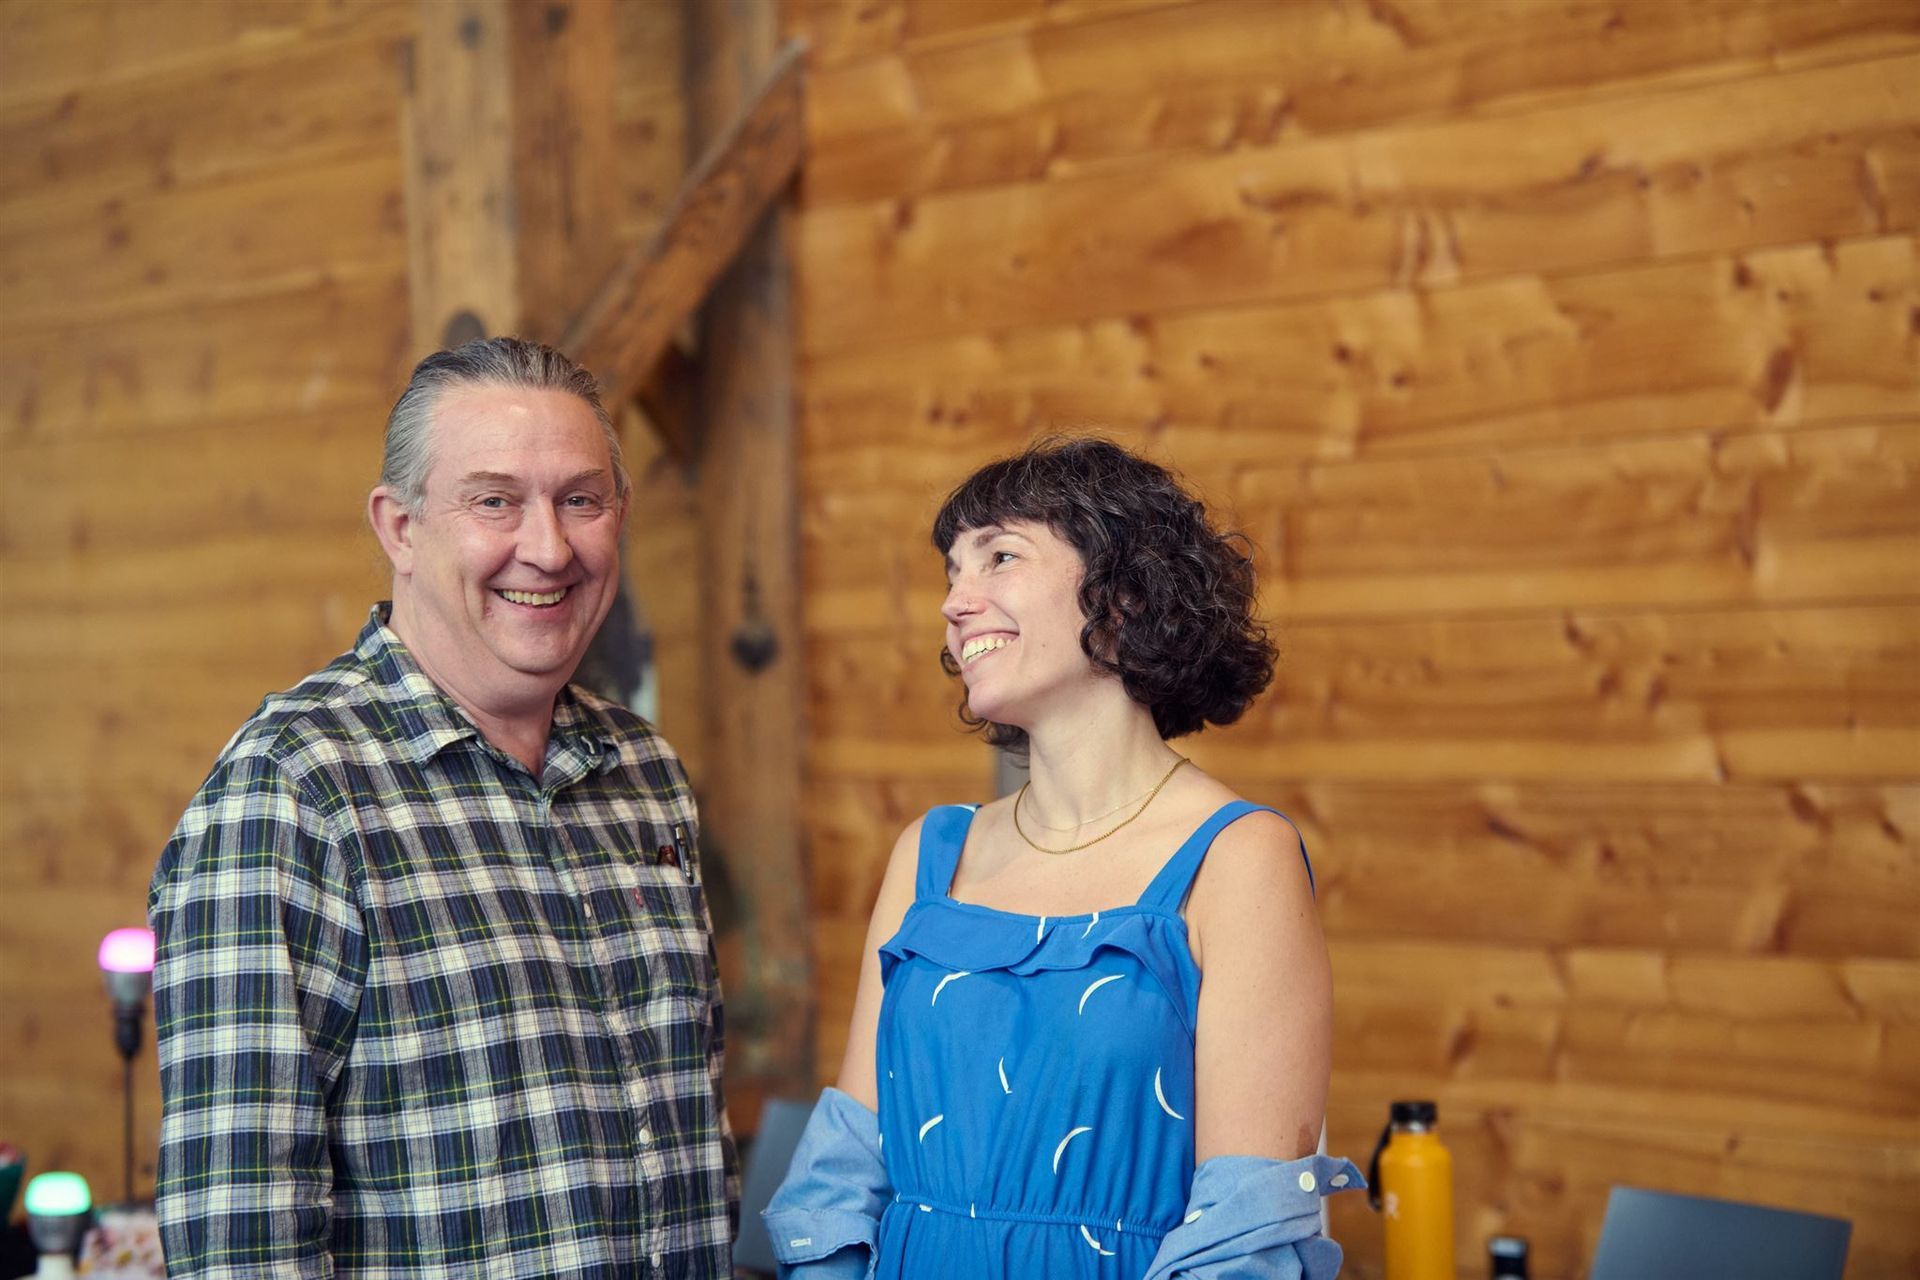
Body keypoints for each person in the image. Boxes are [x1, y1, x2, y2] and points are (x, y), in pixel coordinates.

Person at [149, 338, 736, 1278]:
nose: (548, 548)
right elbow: (242, 1244)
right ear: (401, 528)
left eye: (580, 500)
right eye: (494, 501)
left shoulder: (644, 773)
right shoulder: (293, 791)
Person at [767, 437, 1361, 1278]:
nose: (955, 602)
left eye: (1000, 557)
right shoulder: (930, 855)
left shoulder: (1236, 858)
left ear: (1123, 595)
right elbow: (843, 1173)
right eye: (951, 573)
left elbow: (1243, 1239)